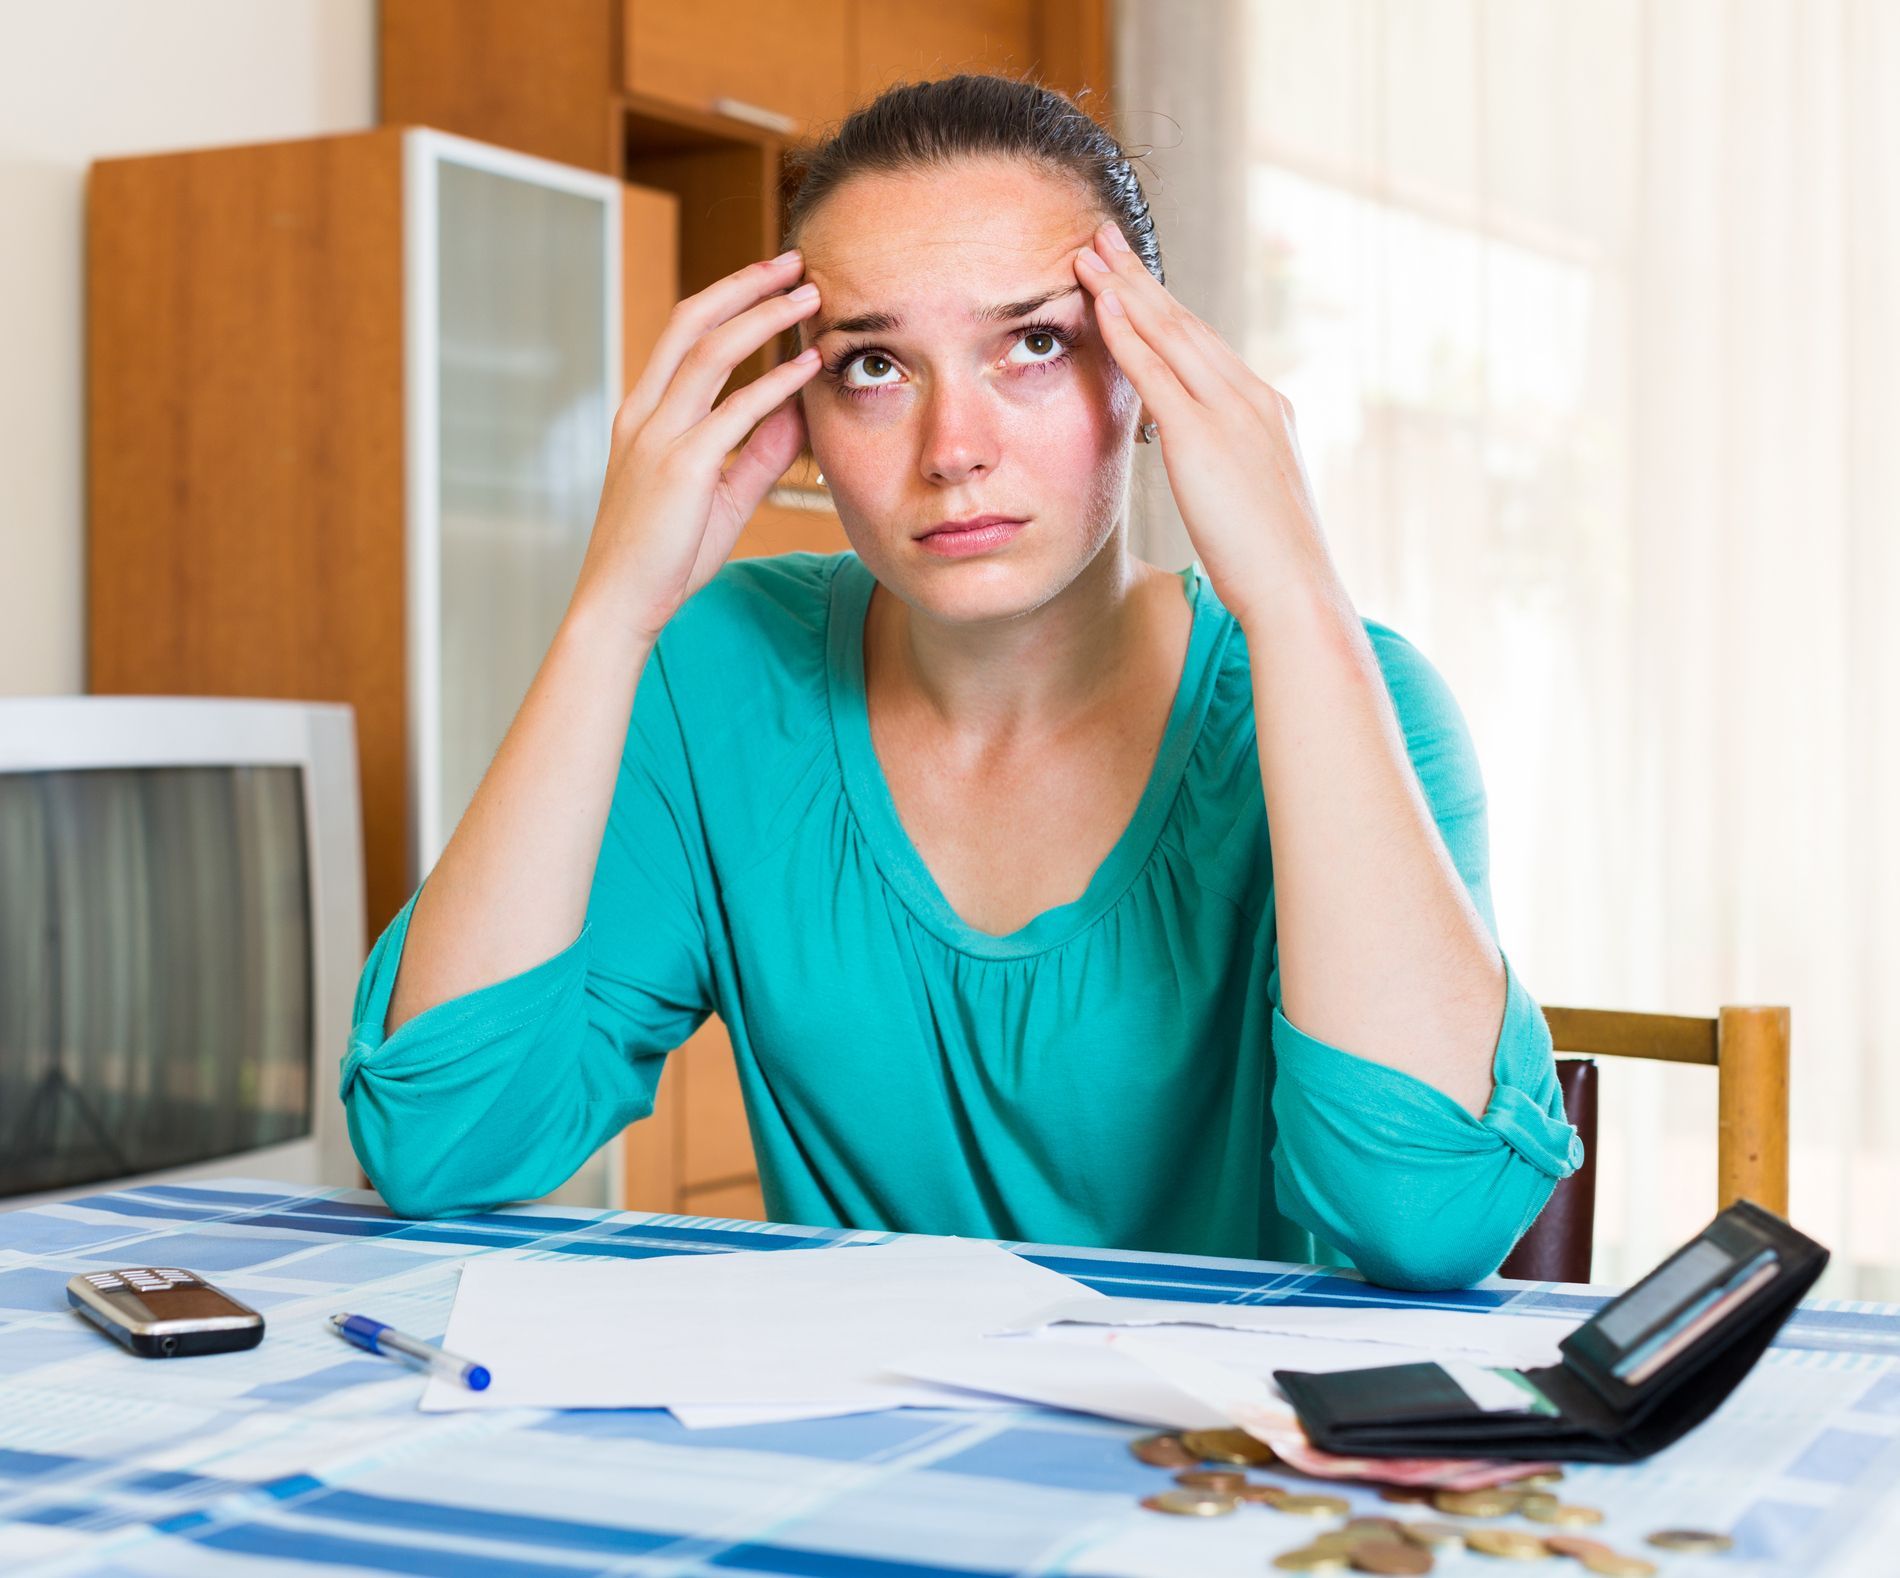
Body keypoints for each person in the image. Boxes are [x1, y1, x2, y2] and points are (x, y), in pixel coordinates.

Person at [341, 74, 1582, 1290]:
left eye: (1033, 344)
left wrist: (1295, 598)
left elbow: (1426, 1224)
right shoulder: (713, 675)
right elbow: (439, 1145)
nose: (952, 452)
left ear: (1149, 383)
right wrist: (612, 610)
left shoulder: (1349, 700)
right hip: (860, 1465)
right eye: (873, 368)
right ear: (803, 415)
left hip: (1217, 1474)